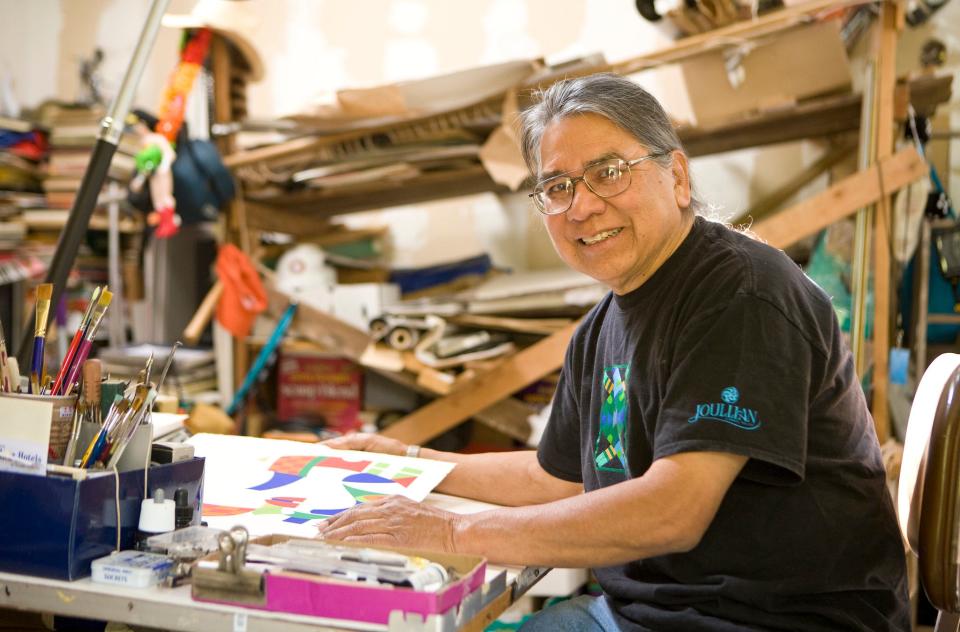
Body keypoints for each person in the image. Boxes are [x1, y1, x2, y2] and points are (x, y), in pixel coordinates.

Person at [318, 73, 910, 631]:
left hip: (772, 620)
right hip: (651, 614)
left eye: (608, 172)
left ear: (677, 177)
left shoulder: (740, 295)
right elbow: (561, 477)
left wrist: (453, 533)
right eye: (557, 186)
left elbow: (673, 509)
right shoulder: (603, 326)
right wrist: (412, 460)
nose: (582, 206)